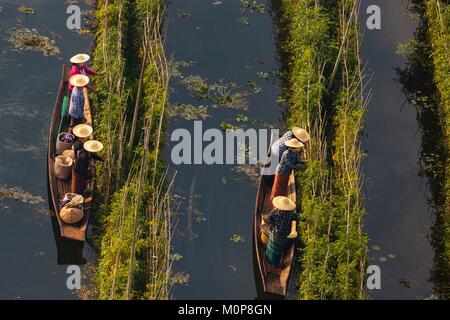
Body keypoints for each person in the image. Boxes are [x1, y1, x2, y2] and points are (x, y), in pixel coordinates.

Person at [269, 138, 304, 208]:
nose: (296, 149)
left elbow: (298, 160)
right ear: (291, 147)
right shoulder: (286, 154)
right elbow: (289, 164)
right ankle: (273, 204)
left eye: (296, 147)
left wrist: (303, 162)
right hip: (281, 172)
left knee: (284, 187)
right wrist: (298, 167)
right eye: (294, 147)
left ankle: (281, 204)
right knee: (277, 188)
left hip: (287, 172)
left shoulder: (296, 153)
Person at [265, 196, 299, 265]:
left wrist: (272, 224)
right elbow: (297, 218)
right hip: (284, 234)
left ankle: (268, 258)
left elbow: (269, 219)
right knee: (279, 248)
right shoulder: (292, 214)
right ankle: (276, 261)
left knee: (271, 245)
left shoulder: (275, 211)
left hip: (274, 232)